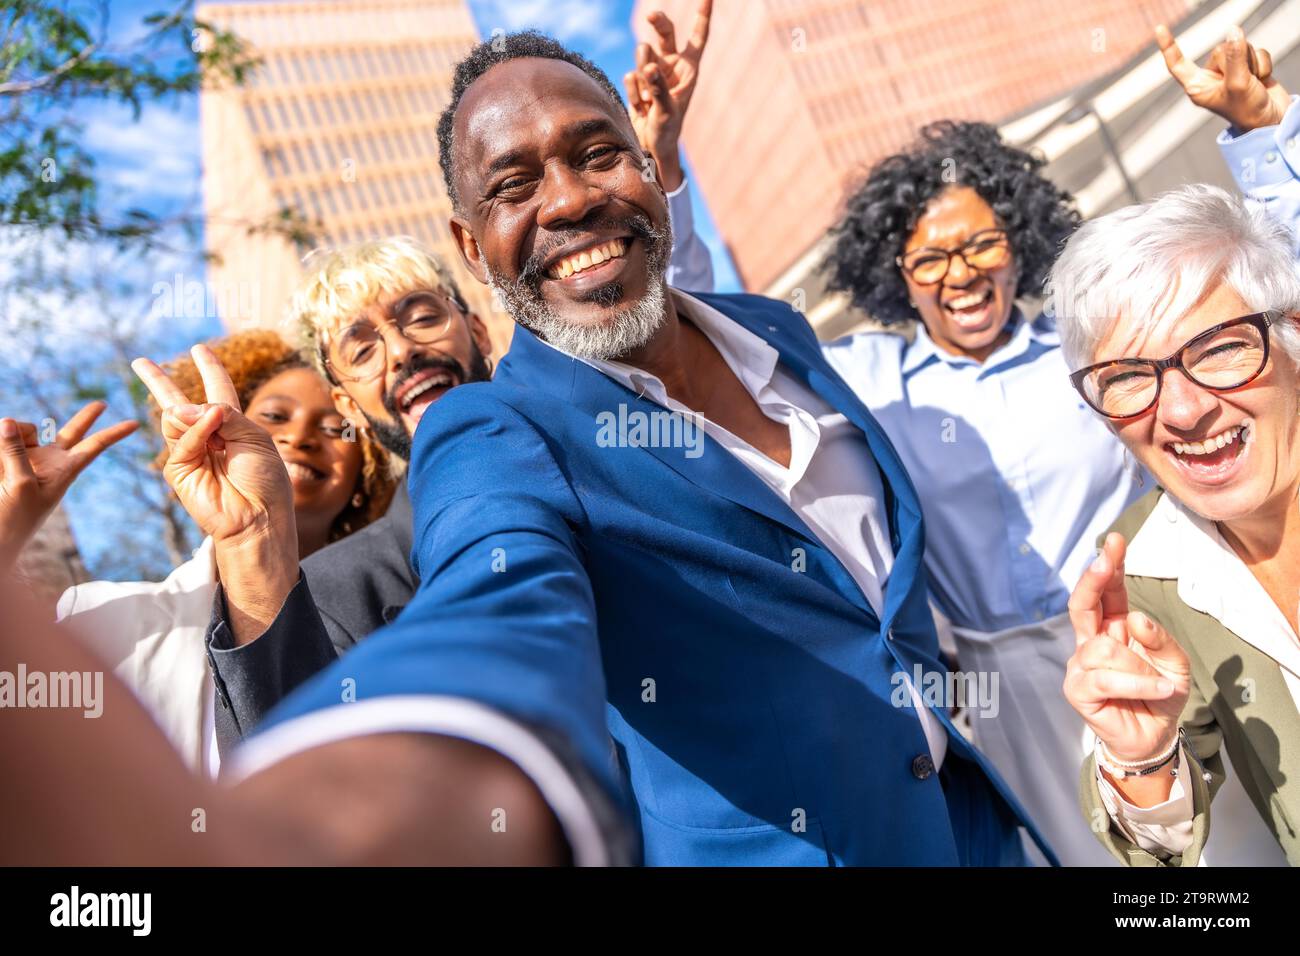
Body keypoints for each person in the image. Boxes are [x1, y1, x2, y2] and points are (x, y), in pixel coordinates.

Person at [814, 23, 1295, 866]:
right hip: (1005, 687)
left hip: (1151, 628)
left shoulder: (1098, 351)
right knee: (1095, 851)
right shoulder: (872, 383)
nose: (959, 273)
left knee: (1227, 850)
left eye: (980, 243)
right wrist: (667, 181)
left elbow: (1272, 292)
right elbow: (731, 350)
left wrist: (1261, 132)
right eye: (930, 258)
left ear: (1019, 242)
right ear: (896, 272)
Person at [202, 0, 718, 745]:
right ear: (347, 402)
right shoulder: (340, 592)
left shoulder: (619, 432)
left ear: (478, 326)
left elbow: (681, 335)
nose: (403, 352)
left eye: (418, 316)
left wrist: (655, 165)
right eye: (362, 348)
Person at [1055, 183, 1300, 867]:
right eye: (1130, 376)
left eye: (1220, 348)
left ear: (1293, 335)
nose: (1185, 410)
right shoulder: (1138, 565)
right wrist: (1142, 758)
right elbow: (1159, 863)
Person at [50, 330, 392, 774]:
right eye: (273, 415)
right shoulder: (96, 618)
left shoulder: (395, 625)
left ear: (365, 477)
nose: (301, 436)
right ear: (214, 437)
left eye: (334, 429)